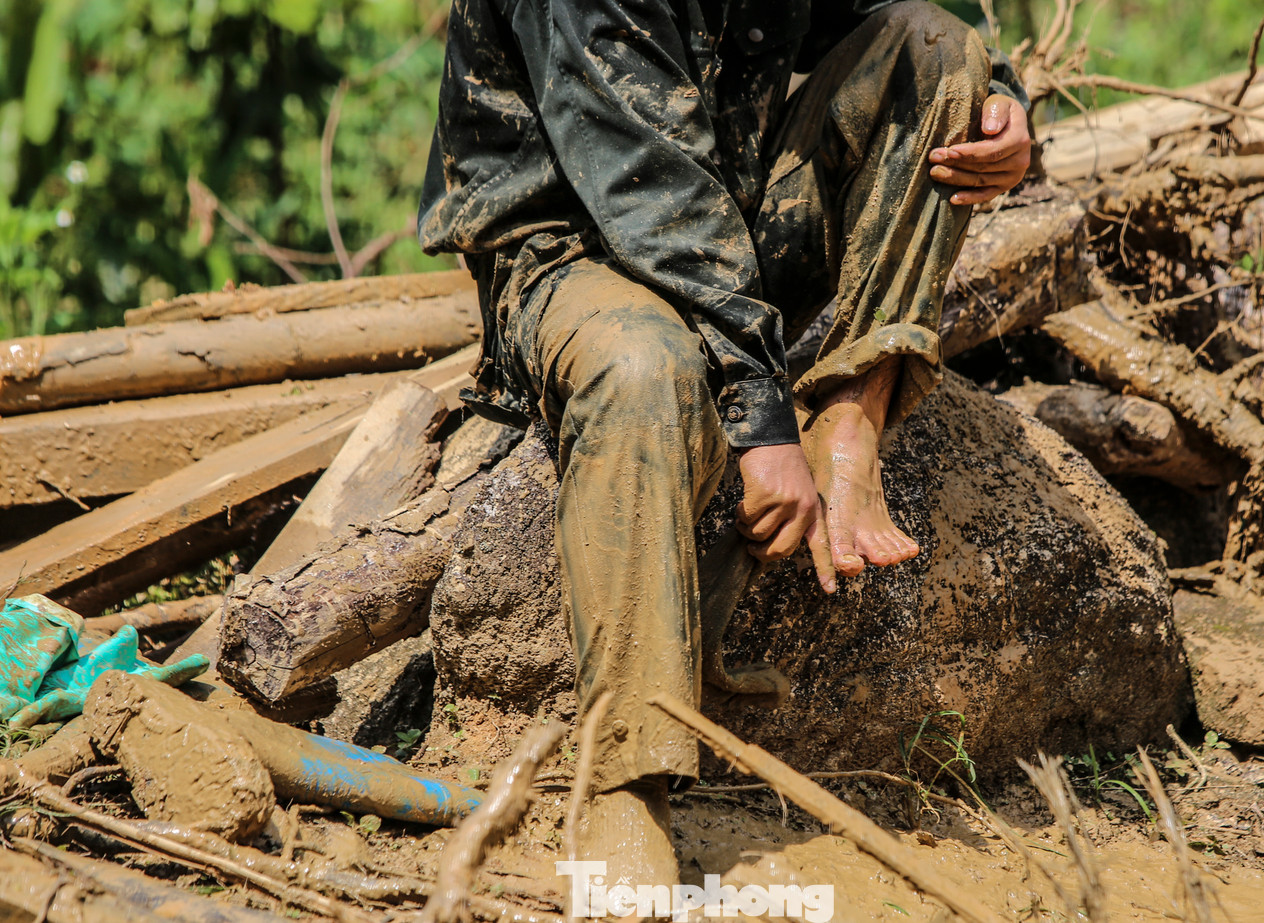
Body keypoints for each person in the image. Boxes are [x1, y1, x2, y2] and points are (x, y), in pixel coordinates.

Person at [419, 0, 1031, 902]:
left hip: (727, 208)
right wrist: (761, 420)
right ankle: (626, 781)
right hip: (569, 243)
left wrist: (1000, 101)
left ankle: (851, 420)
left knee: (937, 50)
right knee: (644, 368)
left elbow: (921, 18)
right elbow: (648, 188)